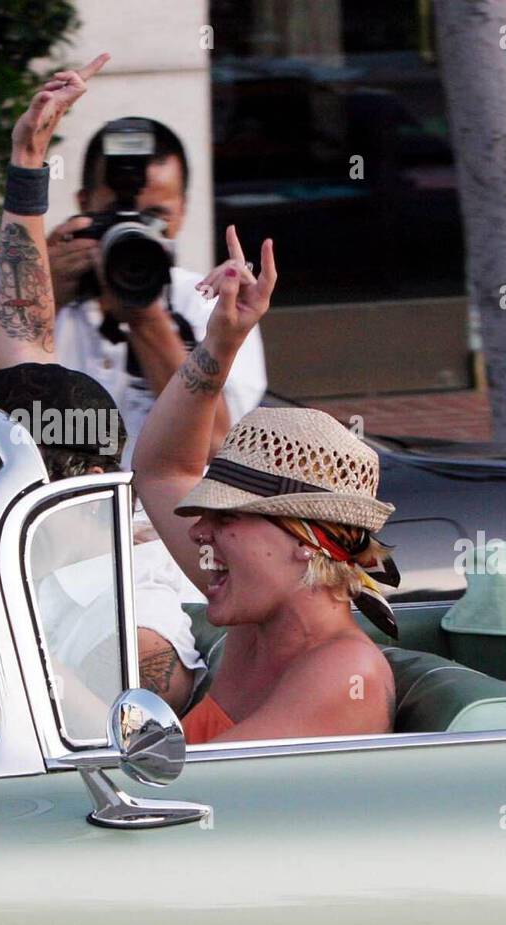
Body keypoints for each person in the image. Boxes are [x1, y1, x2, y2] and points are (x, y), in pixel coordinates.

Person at [0, 55, 202, 716]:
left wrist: (4, 653)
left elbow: (138, 741)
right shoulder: (23, 549)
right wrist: (28, 157)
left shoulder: (132, 607)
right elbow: (23, 326)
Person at [132, 228, 399, 744]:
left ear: (307, 541)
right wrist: (222, 341)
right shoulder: (261, 618)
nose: (198, 531)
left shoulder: (345, 674)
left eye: (227, 516)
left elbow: (177, 794)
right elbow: (162, 470)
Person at [0, 115, 266, 467]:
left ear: (182, 211)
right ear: (84, 203)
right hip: (36, 514)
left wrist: (148, 320)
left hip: (158, 520)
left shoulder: (208, 303)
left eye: (155, 218)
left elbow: (218, 447)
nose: (135, 232)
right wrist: (43, 294)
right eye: (116, 217)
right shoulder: (7, 281)